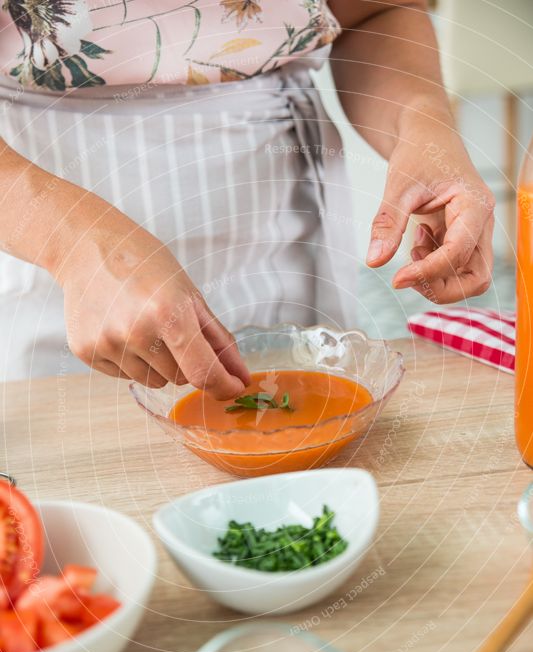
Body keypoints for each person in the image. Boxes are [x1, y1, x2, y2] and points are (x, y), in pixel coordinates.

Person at [0, 1, 494, 398]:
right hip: (39, 189)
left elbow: (374, 11)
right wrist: (71, 243)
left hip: (278, 188)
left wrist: (422, 126)